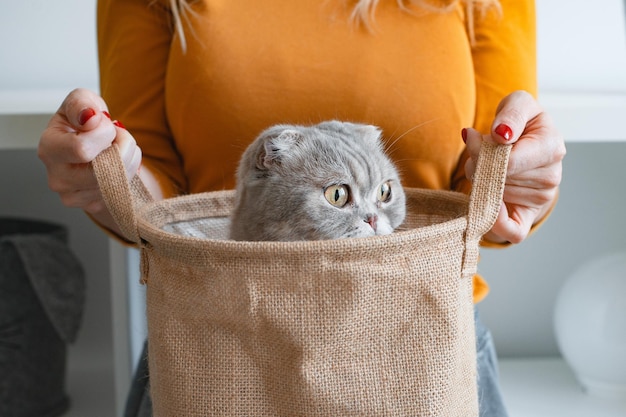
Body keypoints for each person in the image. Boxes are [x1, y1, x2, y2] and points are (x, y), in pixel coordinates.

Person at [38, 0, 565, 415]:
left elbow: (485, 185)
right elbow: (162, 201)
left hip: (425, 355)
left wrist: (520, 180)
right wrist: (105, 176)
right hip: (223, 355)